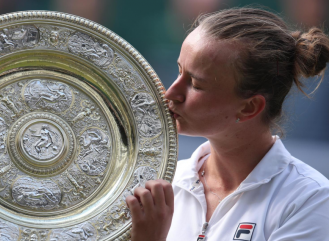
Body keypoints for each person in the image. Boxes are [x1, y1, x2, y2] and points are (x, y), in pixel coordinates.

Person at [126, 7, 329, 241]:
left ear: (249, 107)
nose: (171, 93)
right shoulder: (160, 183)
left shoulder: (309, 200)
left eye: (196, 84)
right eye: (179, 71)